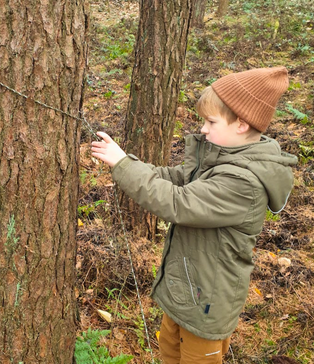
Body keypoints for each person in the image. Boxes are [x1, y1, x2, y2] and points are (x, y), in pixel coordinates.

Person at [91, 67, 297, 364]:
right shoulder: (222, 154)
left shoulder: (244, 183)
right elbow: (172, 178)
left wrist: (123, 166)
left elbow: (178, 202)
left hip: (208, 304)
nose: (203, 129)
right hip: (185, 292)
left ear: (241, 124)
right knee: (169, 355)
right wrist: (124, 160)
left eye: (211, 121)